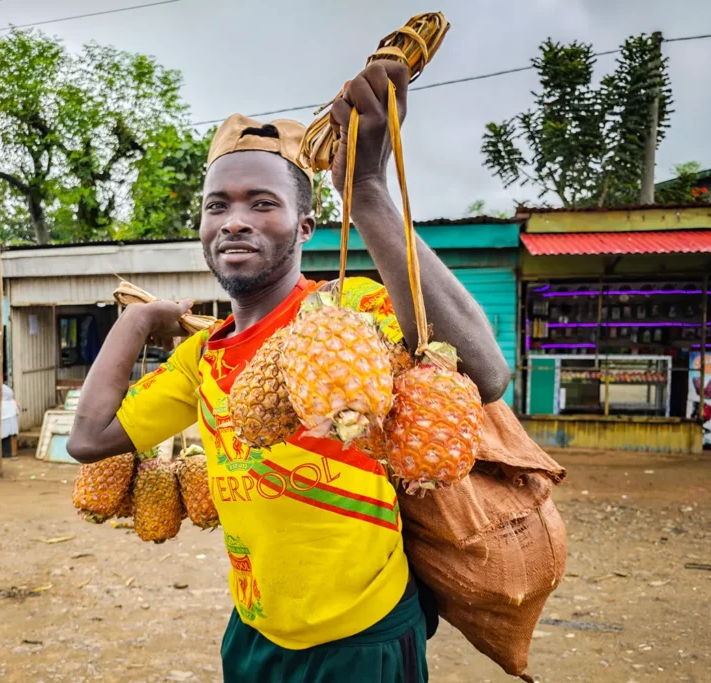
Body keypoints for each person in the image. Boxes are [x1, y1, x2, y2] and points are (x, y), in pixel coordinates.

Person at [67, 61, 510, 683]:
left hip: (362, 637)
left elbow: (485, 373)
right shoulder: (204, 357)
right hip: (252, 632)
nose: (235, 220)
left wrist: (367, 195)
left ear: (304, 225)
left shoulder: (350, 313)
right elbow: (89, 441)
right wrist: (139, 322)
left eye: (262, 203)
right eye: (216, 205)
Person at [0, 377, 20, 458]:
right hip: (11, 420)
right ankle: (13, 453)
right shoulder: (12, 401)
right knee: (12, 435)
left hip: (3, 422)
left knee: (3, 437)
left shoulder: (0, 403)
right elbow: (18, 412)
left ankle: (7, 453)